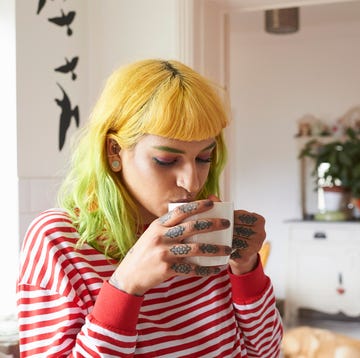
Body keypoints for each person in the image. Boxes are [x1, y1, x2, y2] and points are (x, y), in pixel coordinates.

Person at [16, 59, 283, 357]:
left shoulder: (209, 231)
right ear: (114, 151)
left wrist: (247, 271)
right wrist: (126, 286)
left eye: (203, 158)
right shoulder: (58, 240)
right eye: (167, 161)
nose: (192, 181)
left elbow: (266, 353)